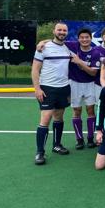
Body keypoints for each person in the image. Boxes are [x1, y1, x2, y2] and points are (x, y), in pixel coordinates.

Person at [32, 22, 72, 165]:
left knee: (59, 117)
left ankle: (57, 145)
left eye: (64, 30)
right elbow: (35, 69)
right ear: (54, 31)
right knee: (46, 118)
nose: (62, 32)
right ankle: (40, 152)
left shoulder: (68, 48)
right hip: (47, 88)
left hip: (64, 88)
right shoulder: (43, 47)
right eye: (59, 30)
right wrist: (37, 89)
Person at [65, 28, 99, 150]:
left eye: (87, 37)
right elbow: (55, 41)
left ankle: (90, 138)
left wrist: (79, 62)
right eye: (82, 37)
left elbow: (93, 73)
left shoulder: (95, 52)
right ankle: (79, 139)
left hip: (90, 84)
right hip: (74, 83)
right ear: (78, 39)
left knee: (90, 110)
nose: (84, 39)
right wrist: (42, 43)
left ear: (91, 38)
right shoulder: (72, 46)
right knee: (77, 111)